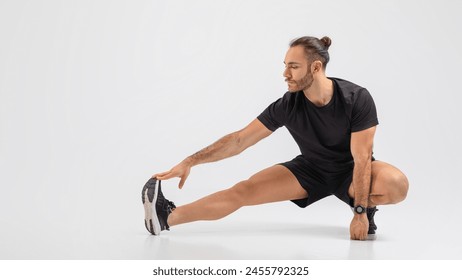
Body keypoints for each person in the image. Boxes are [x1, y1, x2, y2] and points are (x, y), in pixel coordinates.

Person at [142, 36, 409, 240]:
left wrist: (360, 212)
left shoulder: (356, 98)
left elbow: (362, 159)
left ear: (316, 67)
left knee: (396, 184)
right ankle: (166, 217)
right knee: (242, 191)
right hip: (311, 170)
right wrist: (190, 161)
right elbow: (239, 141)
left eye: (293, 66)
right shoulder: (288, 105)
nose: (285, 74)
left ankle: (366, 207)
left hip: (351, 171)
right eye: (285, 66)